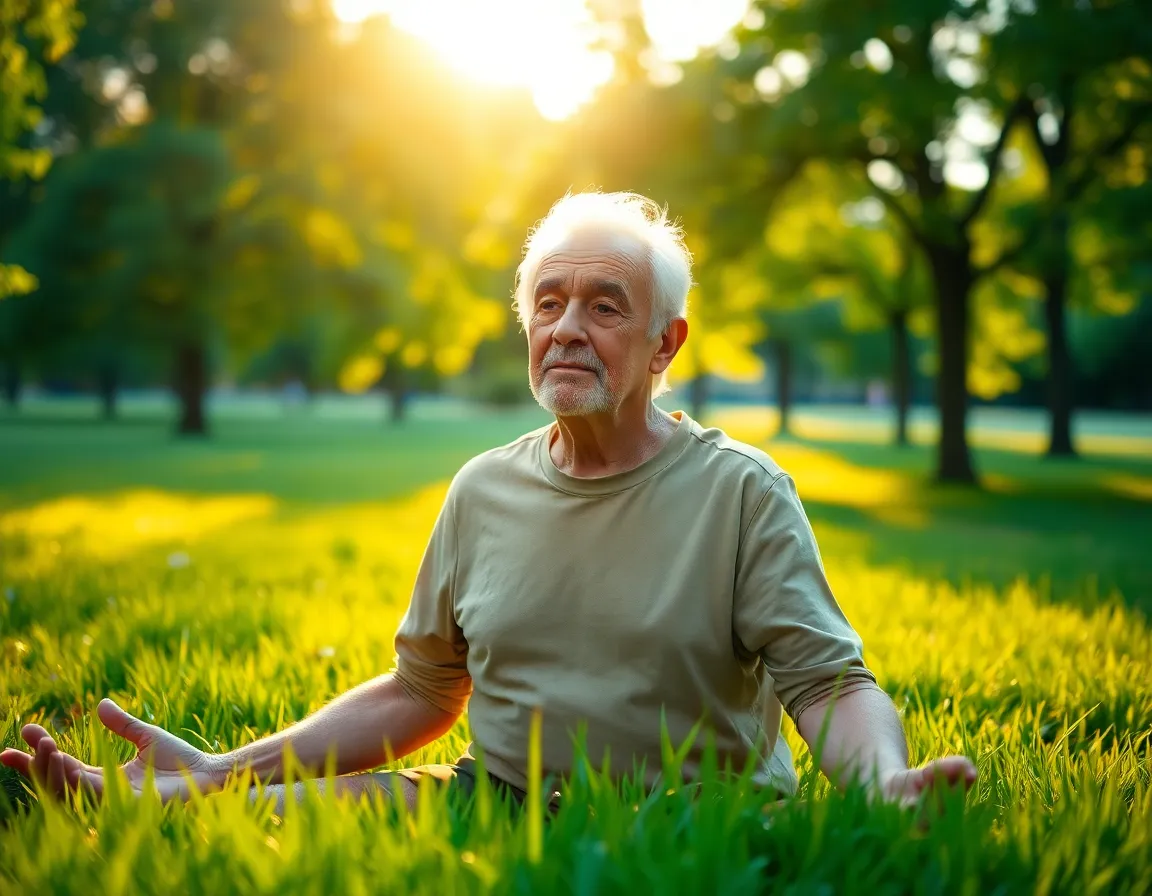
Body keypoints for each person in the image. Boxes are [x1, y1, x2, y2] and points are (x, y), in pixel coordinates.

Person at [1, 192, 977, 815]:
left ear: (665, 344)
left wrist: (879, 784)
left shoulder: (740, 492)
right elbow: (426, 691)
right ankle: (138, 796)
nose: (567, 328)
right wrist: (220, 769)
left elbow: (830, 683)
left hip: (691, 824)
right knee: (253, 816)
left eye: (605, 305)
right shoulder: (483, 487)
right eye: (548, 302)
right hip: (491, 803)